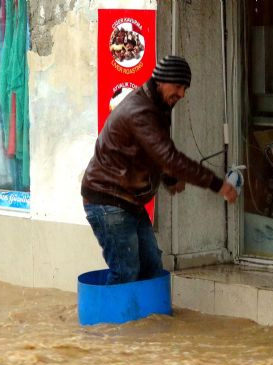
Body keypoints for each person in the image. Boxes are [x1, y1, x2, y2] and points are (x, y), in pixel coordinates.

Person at [81, 55, 237, 285]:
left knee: (152, 268)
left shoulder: (157, 105)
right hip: (108, 200)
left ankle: (145, 321)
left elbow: (152, 152)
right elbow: (169, 157)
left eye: (185, 88)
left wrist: (169, 178)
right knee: (126, 273)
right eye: (178, 87)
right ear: (162, 81)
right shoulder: (141, 110)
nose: (182, 94)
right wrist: (218, 184)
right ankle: (112, 322)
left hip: (128, 199)